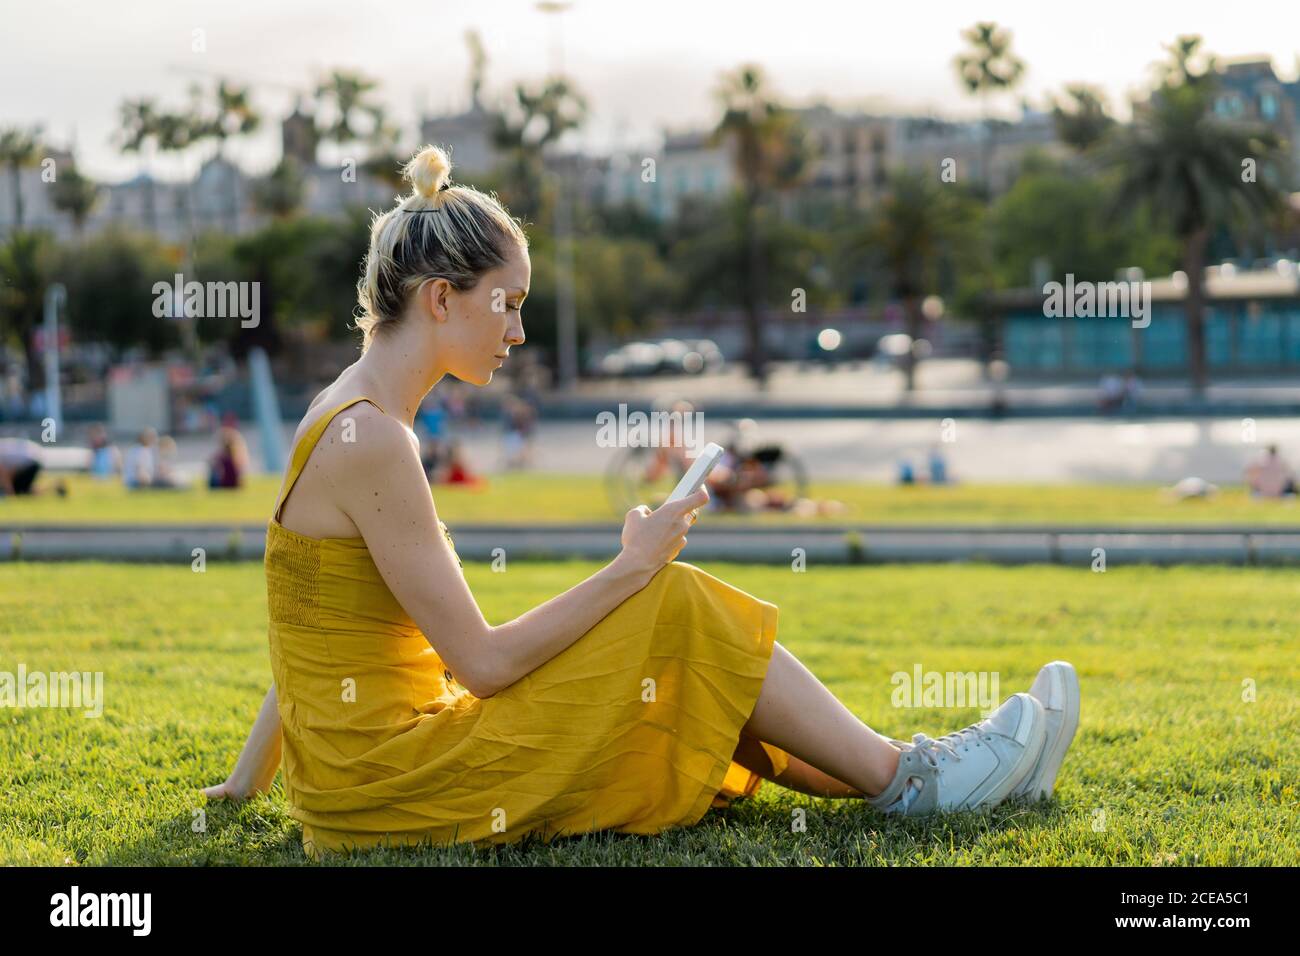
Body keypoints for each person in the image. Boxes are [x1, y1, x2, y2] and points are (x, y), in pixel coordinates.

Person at [202, 144, 1081, 858]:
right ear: (440, 299)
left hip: (364, 782)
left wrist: (249, 783)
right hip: (395, 789)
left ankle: (928, 772)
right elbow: (485, 665)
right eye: (506, 306)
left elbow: (309, 630)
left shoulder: (342, 410)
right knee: (674, 600)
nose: (515, 332)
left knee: (670, 633)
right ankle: (916, 781)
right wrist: (629, 568)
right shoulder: (375, 439)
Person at [209, 425, 250, 490]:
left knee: (213, 472)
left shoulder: (221, 457)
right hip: (235, 484)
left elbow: (213, 466)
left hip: (225, 484)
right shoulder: (236, 455)